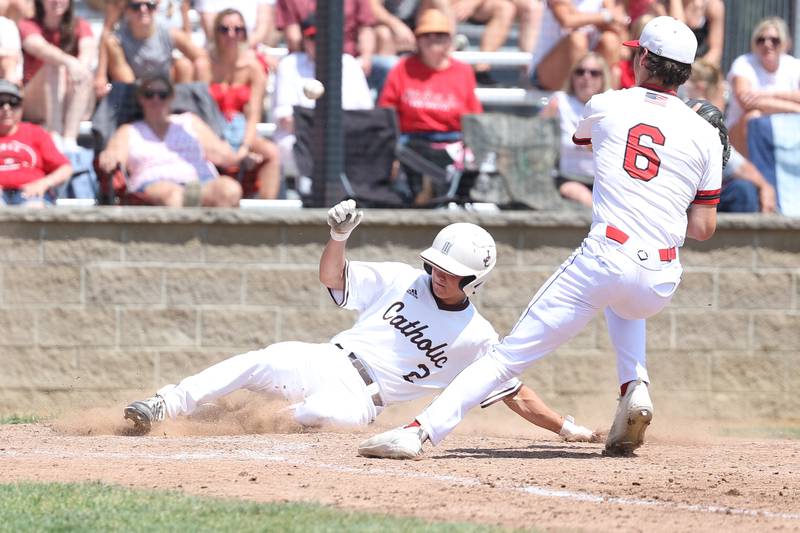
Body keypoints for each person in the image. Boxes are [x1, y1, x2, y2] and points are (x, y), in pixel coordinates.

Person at [359, 16, 725, 460]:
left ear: (644, 58)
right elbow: (703, 229)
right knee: (625, 302)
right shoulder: (704, 135)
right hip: (661, 279)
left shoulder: (607, 103)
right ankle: (636, 385)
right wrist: (707, 148)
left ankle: (418, 432)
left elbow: (588, 138)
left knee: (506, 357)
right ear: (685, 71)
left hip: (607, 255)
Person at [123, 199, 596, 444]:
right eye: (436, 266)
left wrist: (564, 428)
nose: (440, 277)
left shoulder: (477, 337)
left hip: (362, 400)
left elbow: (516, 393)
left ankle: (226, 425)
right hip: (328, 358)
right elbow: (334, 277)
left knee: (321, 415)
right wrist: (338, 237)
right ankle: (164, 404)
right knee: (261, 359)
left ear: (476, 281)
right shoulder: (401, 279)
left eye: (453, 274)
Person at [378, 8, 482, 204]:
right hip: (412, 145)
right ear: (417, 40)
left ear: (450, 40)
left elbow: (473, 118)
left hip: (452, 145)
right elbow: (387, 114)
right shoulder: (402, 68)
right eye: (427, 35)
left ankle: (440, 194)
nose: (434, 40)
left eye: (440, 35)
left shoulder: (463, 71)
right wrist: (390, 153)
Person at [97, 75, 243, 207]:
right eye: (149, 94)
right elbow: (114, 154)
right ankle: (190, 232)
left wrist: (244, 151)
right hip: (155, 181)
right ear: (141, 98)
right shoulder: (129, 130)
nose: (156, 99)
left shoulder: (190, 122)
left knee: (230, 191)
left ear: (171, 97)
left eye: (162, 95)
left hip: (201, 181)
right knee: (173, 196)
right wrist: (108, 157)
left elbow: (224, 156)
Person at [272, 16, 373, 179]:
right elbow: (285, 119)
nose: (320, 43)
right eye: (314, 38)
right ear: (305, 40)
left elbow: (365, 115)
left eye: (325, 37)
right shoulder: (289, 65)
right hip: (302, 141)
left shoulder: (350, 64)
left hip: (345, 139)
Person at [684, 60, 776, 214]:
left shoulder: (681, 107)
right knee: (743, 191)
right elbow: (734, 164)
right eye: (723, 93)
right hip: (684, 198)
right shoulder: (701, 113)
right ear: (702, 88)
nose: (725, 99)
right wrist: (765, 186)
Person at [209, 8, 282, 200]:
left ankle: (267, 219)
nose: (231, 35)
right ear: (215, 32)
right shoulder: (205, 64)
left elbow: (254, 114)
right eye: (224, 29)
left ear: (244, 33)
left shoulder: (253, 68)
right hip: (210, 131)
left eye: (238, 29)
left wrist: (244, 147)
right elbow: (199, 112)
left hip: (240, 131)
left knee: (271, 153)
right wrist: (217, 144)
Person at [18, 0, 95, 151]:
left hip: (73, 99)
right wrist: (69, 63)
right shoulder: (28, 24)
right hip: (36, 102)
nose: (57, 1)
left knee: (83, 72)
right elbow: (38, 47)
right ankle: (55, 134)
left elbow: (88, 48)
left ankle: (69, 139)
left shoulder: (81, 25)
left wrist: (78, 67)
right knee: (53, 64)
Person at [539, 52, 612, 207]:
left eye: (594, 73)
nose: (586, 77)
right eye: (580, 72)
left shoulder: (611, 106)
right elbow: (535, 138)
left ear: (603, 77)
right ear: (572, 76)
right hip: (568, 178)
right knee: (585, 198)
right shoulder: (559, 102)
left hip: (603, 182)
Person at [96, 0, 211, 94]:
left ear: (156, 7)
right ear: (126, 10)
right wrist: (100, 75)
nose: (143, 10)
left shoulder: (169, 32)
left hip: (166, 90)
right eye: (135, 7)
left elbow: (201, 56)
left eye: (150, 5)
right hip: (134, 95)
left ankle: (188, 108)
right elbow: (129, 84)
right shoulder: (115, 41)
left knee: (185, 65)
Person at [726, 17, 800, 157]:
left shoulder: (794, 66)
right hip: (740, 138)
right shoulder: (743, 64)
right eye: (761, 40)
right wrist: (795, 108)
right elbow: (746, 102)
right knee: (753, 117)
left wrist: (768, 95)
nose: (767, 44)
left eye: (774, 40)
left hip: (785, 131)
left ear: (785, 43)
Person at [529, 0, 630, 91]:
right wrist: (605, 16)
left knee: (610, 40)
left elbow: (619, 23)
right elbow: (567, 20)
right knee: (577, 40)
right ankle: (580, 95)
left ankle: (596, 95)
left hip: (585, 66)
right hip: (546, 73)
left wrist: (606, 19)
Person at [0, 80, 72, 206]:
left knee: (33, 208)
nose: (7, 108)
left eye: (13, 103)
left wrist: (43, 184)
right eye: (0, 103)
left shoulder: (35, 133)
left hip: (31, 195)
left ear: (21, 107)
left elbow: (65, 168)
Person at [275, 0, 377, 78]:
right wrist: (316, 57)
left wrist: (366, 57)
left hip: (348, 61)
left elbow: (366, 27)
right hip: (306, 64)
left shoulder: (351, 65)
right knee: (288, 66)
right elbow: (294, 38)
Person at [196, 0, 276, 49]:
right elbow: (211, 31)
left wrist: (241, 50)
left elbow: (261, 31)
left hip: (251, 51)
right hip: (216, 53)